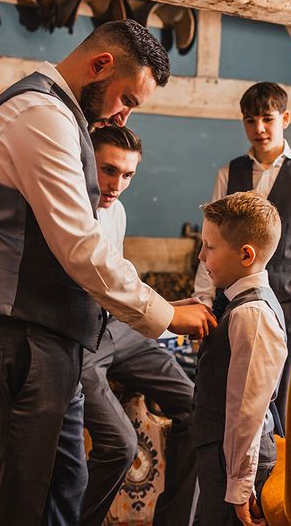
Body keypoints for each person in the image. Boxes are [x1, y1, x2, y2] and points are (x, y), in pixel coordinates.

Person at [0, 20, 216, 526]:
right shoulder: (39, 115)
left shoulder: (67, 119)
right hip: (10, 336)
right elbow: (80, 247)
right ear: (100, 65)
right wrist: (165, 313)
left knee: (66, 484)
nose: (124, 114)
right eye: (126, 98)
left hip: (56, 339)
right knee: (12, 504)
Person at [193, 82, 291, 431]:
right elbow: (209, 244)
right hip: (227, 302)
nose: (259, 129)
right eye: (250, 120)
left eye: (267, 119)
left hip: (285, 304)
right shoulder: (229, 172)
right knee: (222, 394)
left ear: (285, 118)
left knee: (277, 401)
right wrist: (204, 301)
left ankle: (273, 478)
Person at [80, 125, 196, 526]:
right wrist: (167, 315)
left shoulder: (119, 210)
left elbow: (121, 280)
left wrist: (169, 310)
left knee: (199, 409)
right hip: (80, 338)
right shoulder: (68, 208)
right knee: (118, 444)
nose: (117, 184)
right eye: (108, 170)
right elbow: (100, 282)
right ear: (85, 159)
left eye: (127, 175)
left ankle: (173, 520)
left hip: (119, 330)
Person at [193, 191, 287, 526]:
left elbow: (246, 412)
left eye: (210, 247)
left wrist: (239, 485)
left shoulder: (252, 316)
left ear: (246, 255)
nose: (201, 256)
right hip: (222, 456)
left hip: (236, 464)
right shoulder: (236, 304)